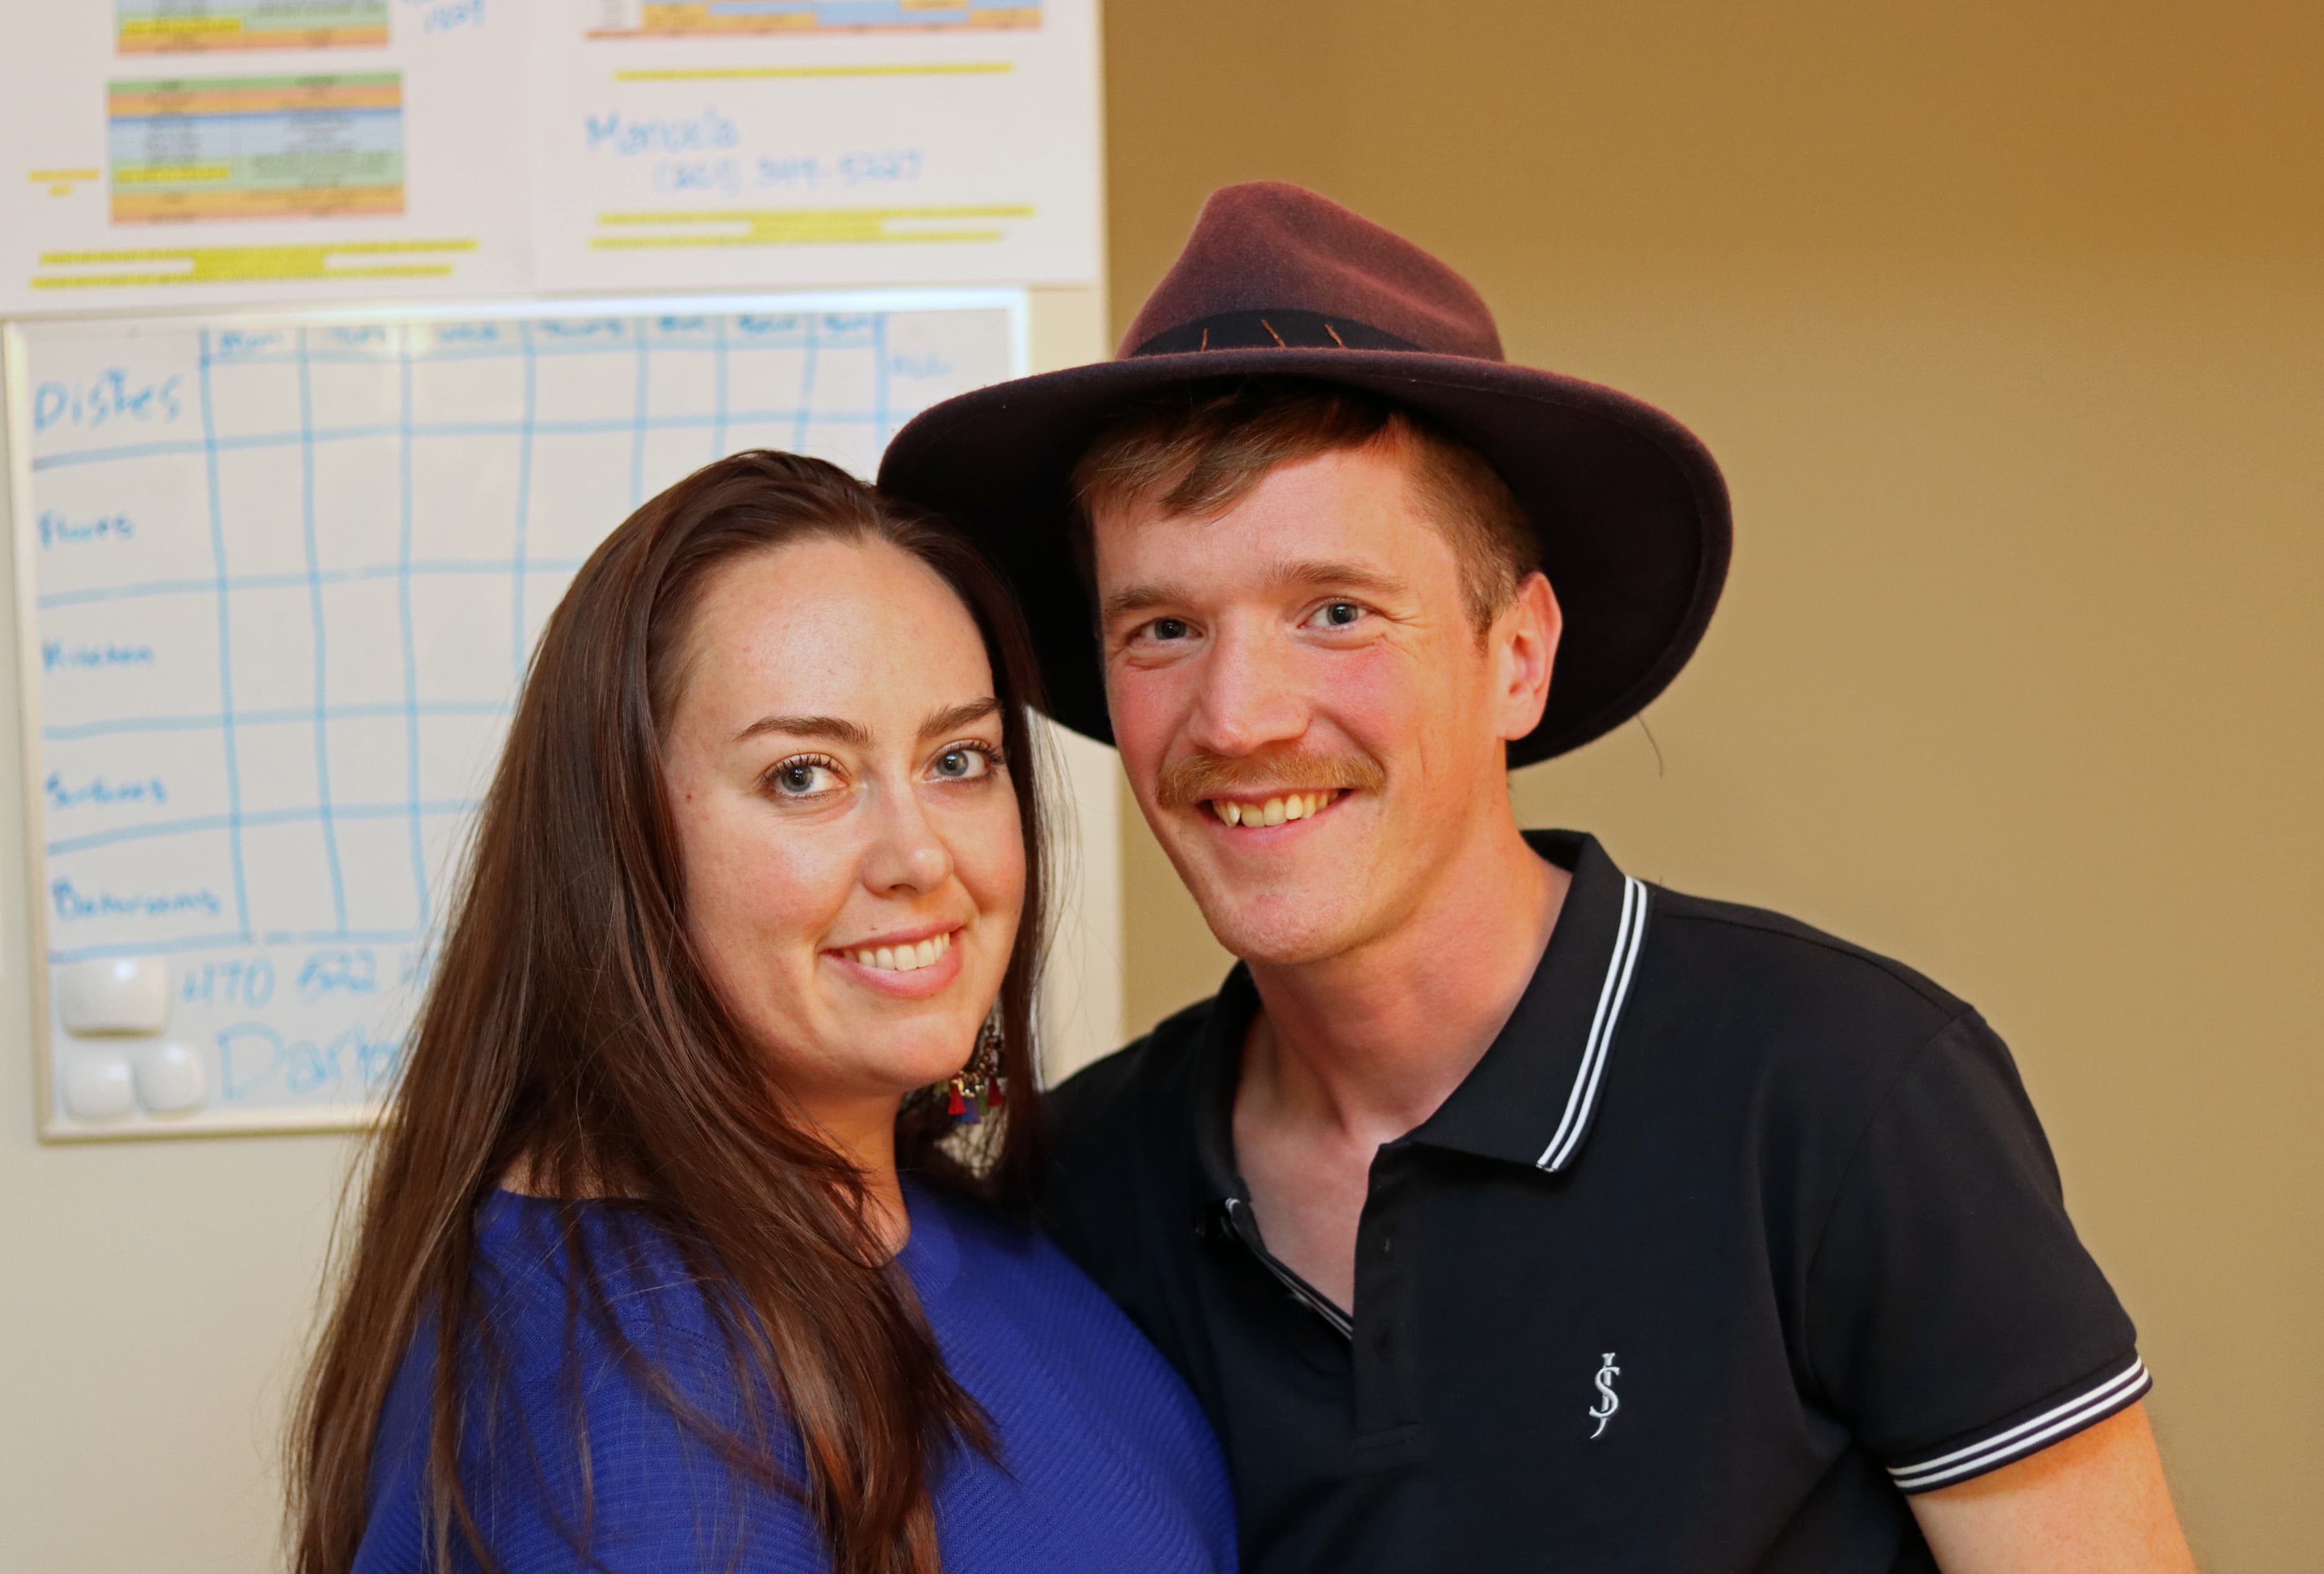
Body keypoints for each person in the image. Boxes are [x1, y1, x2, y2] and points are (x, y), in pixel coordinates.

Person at [879, 183, 2199, 1573]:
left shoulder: (1842, 1095)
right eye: (1163, 625)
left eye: (1336, 610)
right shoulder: (1079, 1196)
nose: (1238, 715)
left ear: (1518, 652)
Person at [288, 453, 1237, 1574]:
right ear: (628, 847)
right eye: (805, 775)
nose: (920, 854)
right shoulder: (624, 1430)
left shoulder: (951, 1214)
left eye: (959, 758)